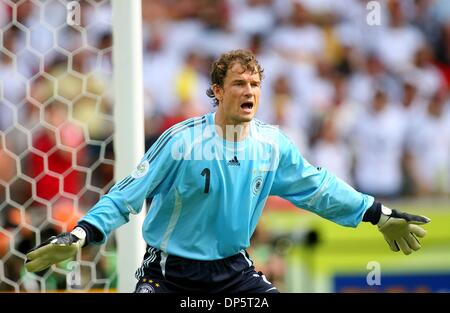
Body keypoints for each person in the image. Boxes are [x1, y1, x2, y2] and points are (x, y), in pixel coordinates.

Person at [24, 50, 430, 293]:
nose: (248, 91)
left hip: (233, 272)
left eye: (254, 83)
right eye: (238, 83)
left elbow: (319, 188)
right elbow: (127, 194)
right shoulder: (182, 141)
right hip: (171, 274)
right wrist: (81, 233)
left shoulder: (271, 145)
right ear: (217, 91)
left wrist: (380, 215)